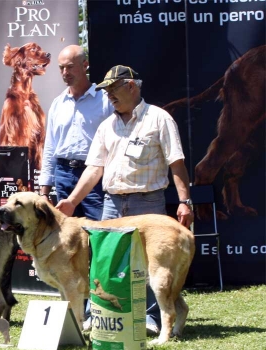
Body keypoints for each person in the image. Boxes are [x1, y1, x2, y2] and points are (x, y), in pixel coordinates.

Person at [57, 65, 194, 335]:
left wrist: (184, 201)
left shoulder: (159, 118)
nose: (108, 95)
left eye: (113, 89)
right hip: (112, 205)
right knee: (104, 263)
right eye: (105, 91)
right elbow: (94, 169)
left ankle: (152, 320)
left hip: (148, 203)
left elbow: (176, 163)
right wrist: (72, 201)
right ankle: (101, 316)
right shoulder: (107, 126)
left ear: (131, 86)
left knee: (152, 266)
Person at [39, 45, 113, 220]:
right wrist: (44, 191)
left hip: (95, 176)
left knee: (98, 232)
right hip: (63, 174)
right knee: (68, 236)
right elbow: (50, 147)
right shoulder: (58, 104)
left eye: (70, 66)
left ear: (85, 65)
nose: (65, 72)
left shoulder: (105, 101)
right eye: (61, 68)